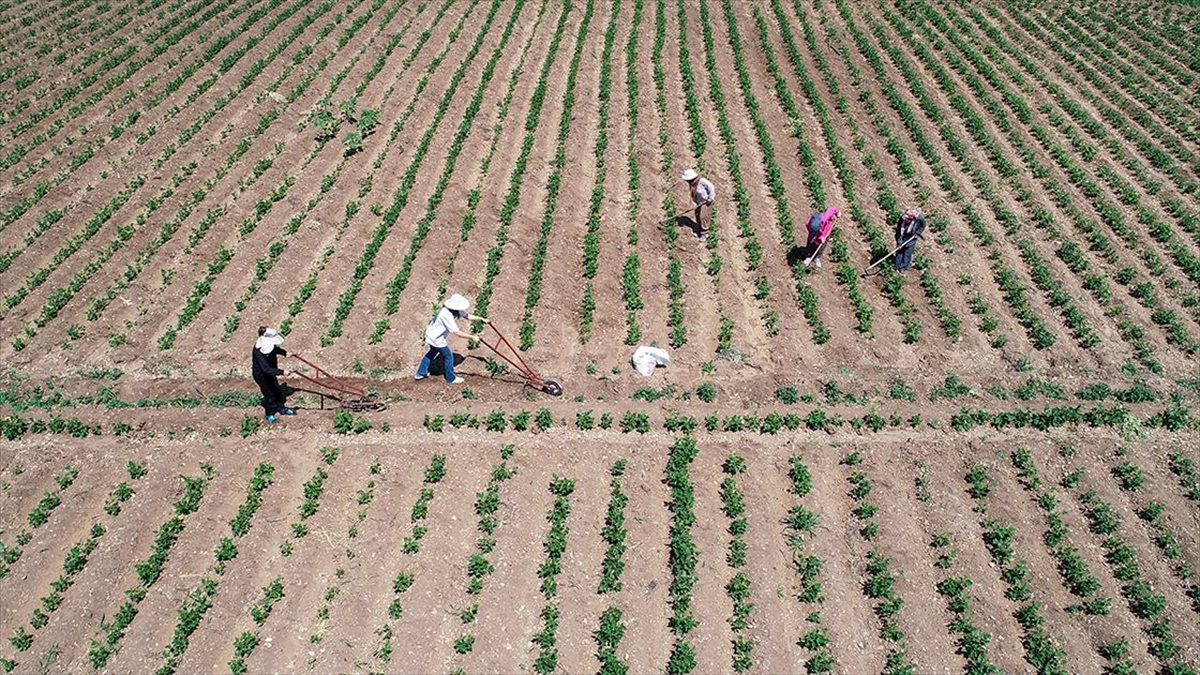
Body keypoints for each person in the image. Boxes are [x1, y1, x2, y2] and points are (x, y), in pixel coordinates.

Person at [415, 294, 489, 384]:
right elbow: (456, 332)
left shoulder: (453, 310)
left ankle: (420, 373)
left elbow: (467, 316)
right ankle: (451, 378)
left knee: (432, 352)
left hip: (431, 335)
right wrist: (472, 337)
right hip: (436, 339)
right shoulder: (446, 314)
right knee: (449, 356)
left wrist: (481, 319)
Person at [252, 327, 294, 422]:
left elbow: (275, 349)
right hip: (261, 375)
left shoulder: (269, 345)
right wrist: (282, 372)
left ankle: (281, 408)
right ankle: (269, 414)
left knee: (277, 390)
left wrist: (285, 353)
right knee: (269, 394)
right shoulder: (258, 351)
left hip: (270, 372)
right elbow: (266, 369)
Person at [681, 169, 715, 242]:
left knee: (703, 216)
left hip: (706, 202)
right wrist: (694, 203)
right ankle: (699, 230)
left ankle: (705, 233)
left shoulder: (702, 181)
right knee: (697, 215)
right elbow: (693, 194)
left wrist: (710, 198)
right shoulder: (692, 184)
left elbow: (711, 187)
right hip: (698, 202)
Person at [893, 208, 926, 275]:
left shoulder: (919, 219)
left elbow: (923, 225)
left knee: (908, 252)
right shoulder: (902, 219)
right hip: (902, 235)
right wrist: (899, 242)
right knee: (899, 250)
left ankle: (903, 267)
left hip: (911, 237)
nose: (905, 220)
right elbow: (899, 231)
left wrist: (917, 233)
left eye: (907, 220)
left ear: (912, 219)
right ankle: (896, 266)